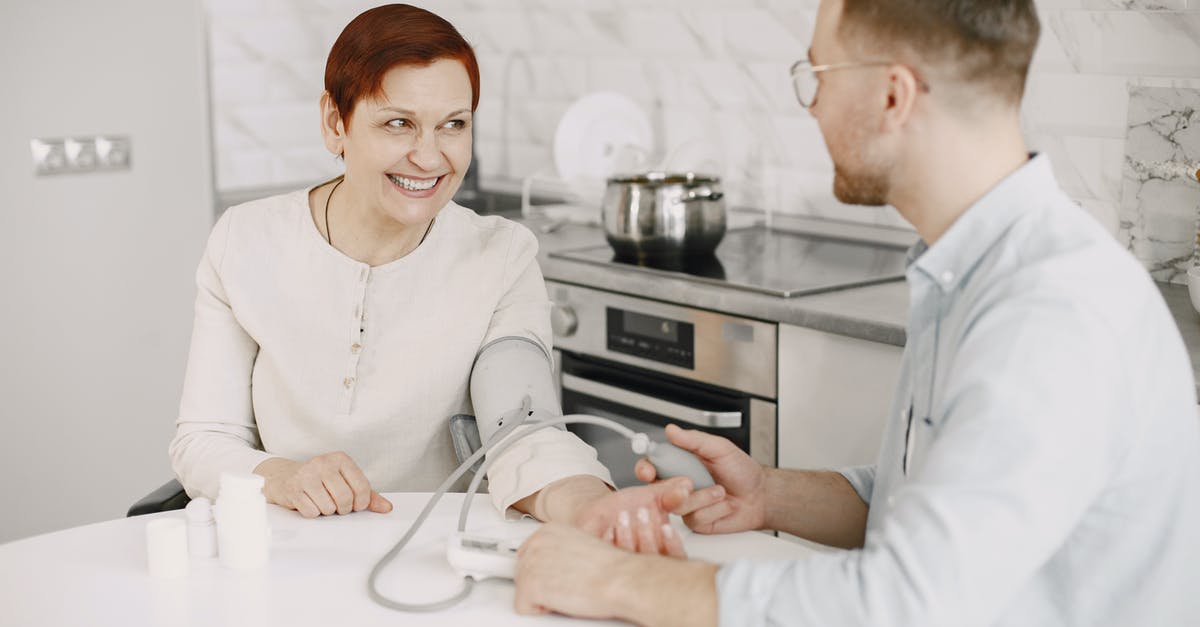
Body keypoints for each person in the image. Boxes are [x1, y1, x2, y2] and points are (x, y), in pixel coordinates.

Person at [513, 0, 1200, 624]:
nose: (811, 106)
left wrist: (617, 582)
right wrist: (769, 493)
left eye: (819, 75)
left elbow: (905, 600)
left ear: (893, 95)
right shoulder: (967, 267)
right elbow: (926, 506)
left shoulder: (1048, 316)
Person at [169, 4, 691, 548]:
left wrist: (590, 506)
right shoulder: (245, 242)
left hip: (438, 556)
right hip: (282, 551)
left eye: (453, 125)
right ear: (334, 123)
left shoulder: (501, 257)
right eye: (398, 123)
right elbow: (205, 440)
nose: (429, 156)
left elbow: (523, 430)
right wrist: (283, 477)